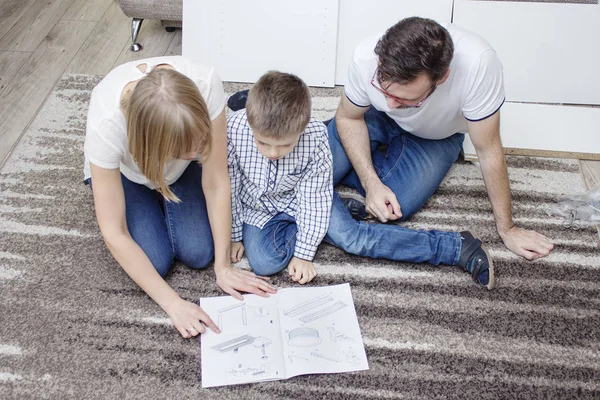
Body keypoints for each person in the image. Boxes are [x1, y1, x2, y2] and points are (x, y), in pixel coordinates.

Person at [326, 17, 554, 283]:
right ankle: (334, 164)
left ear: (442, 77)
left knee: (398, 204)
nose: (389, 103)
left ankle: (331, 167)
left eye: (405, 99)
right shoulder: (366, 57)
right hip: (368, 119)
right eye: (384, 88)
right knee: (295, 172)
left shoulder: (478, 64)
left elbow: (489, 149)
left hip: (437, 137)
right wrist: (371, 182)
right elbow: (349, 117)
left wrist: (507, 228)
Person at [83, 56, 276, 339]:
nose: (195, 153)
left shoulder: (206, 83)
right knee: (156, 263)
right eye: (183, 149)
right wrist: (173, 304)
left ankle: (167, 195)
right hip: (127, 174)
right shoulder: (106, 124)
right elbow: (114, 231)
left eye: (198, 142)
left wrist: (223, 267)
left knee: (199, 253)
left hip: (178, 172)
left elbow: (216, 179)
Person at [228, 71, 332, 284]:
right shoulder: (233, 130)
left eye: (285, 145)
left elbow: (314, 197)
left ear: (302, 129)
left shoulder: (315, 136)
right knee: (264, 263)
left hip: (300, 196)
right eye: (263, 143)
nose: (273, 153)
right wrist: (234, 234)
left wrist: (304, 253)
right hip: (258, 208)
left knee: (347, 236)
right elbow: (230, 187)